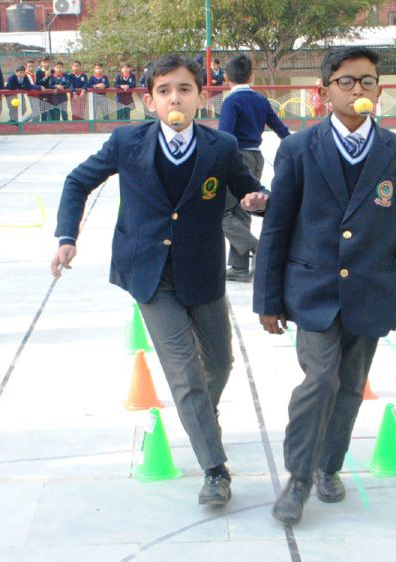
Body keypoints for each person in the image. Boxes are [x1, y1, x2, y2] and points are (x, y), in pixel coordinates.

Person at [51, 54, 268, 509]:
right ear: (149, 101)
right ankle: (215, 469)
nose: (175, 98)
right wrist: (67, 236)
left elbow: (249, 188)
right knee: (184, 370)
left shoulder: (221, 146)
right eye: (164, 90)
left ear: (201, 97)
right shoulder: (126, 142)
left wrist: (258, 201)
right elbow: (77, 182)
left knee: (220, 363)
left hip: (202, 270)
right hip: (149, 273)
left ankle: (201, 416)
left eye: (184, 89)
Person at [255, 46, 396, 525]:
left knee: (350, 386)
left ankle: (329, 466)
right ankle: (298, 478)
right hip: (311, 293)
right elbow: (277, 227)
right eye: (346, 81)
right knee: (320, 379)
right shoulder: (298, 149)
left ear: (379, 89)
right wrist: (268, 299)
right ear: (324, 90)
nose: (357, 90)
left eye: (367, 81)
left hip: (371, 292)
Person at [217, 54, 289, 282]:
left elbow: (225, 136)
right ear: (251, 76)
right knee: (242, 209)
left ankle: (256, 247)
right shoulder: (260, 100)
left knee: (218, 210)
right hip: (256, 157)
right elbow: (281, 130)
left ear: (226, 78)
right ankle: (239, 268)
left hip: (236, 157)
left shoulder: (231, 102)